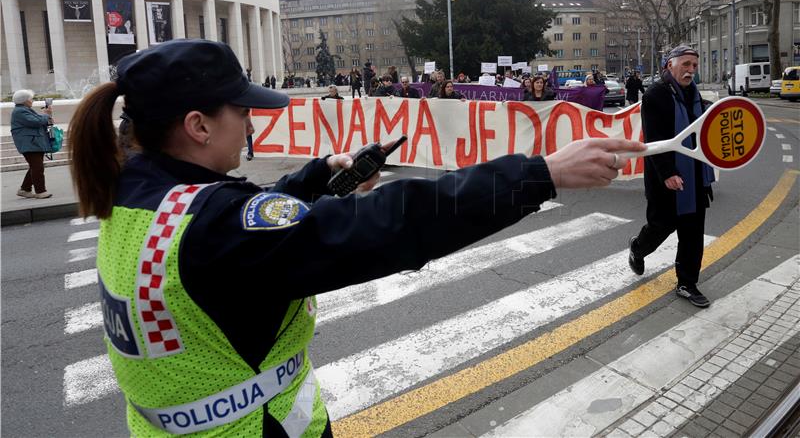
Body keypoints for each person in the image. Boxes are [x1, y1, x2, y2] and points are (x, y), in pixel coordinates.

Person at [68, 39, 644, 436]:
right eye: (239, 111)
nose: (250, 122)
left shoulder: (131, 193)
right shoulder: (213, 227)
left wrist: (319, 176)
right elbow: (396, 223)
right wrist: (539, 173)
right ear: (197, 126)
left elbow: (242, 222)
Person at [628, 45, 715, 308]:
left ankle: (687, 283)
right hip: (664, 176)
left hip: (695, 174)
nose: (690, 71)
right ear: (670, 65)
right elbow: (653, 140)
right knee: (661, 226)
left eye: (694, 66)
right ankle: (638, 248)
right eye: (686, 64)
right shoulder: (655, 95)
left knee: (692, 231)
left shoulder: (697, 96)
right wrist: (668, 173)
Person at [10, 89, 53, 199]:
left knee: (35, 167)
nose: (32, 101)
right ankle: (40, 191)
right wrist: (46, 115)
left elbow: (39, 121)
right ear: (24, 100)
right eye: (31, 99)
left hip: (33, 143)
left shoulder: (25, 110)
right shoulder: (20, 111)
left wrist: (47, 117)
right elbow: (36, 122)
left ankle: (25, 189)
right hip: (29, 144)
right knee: (37, 167)